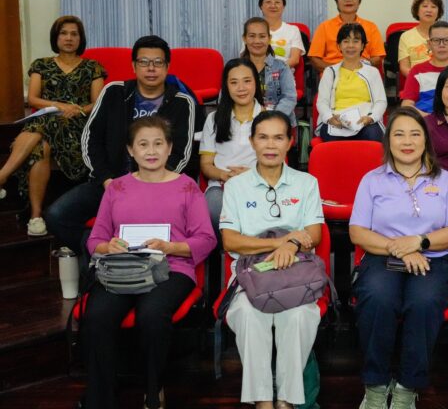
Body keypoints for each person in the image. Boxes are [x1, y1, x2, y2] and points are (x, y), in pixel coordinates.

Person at [82, 116, 216, 409]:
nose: (151, 151)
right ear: (131, 150)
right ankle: (101, 398)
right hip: (122, 268)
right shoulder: (116, 188)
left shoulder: (187, 187)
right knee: (97, 315)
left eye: (158, 143)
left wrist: (171, 247)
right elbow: (95, 240)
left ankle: (154, 391)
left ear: (169, 148)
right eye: (143, 144)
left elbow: (206, 239)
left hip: (172, 268)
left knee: (152, 314)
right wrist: (108, 246)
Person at [350, 106, 448, 409]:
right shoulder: (372, 180)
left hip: (433, 258)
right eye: (399, 134)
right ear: (388, 141)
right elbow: (358, 233)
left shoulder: (444, 180)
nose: (407, 141)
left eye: (415, 134)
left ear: (425, 140)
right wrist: (400, 248)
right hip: (382, 256)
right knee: (378, 298)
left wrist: (419, 242)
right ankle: (375, 385)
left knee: (423, 302)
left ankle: (407, 387)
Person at [44, 35, 197, 258]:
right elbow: (91, 139)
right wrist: (106, 179)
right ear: (134, 66)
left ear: (167, 67)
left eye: (158, 62)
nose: (151, 68)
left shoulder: (182, 102)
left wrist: (151, 185)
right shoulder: (114, 92)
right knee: (57, 215)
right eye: (144, 62)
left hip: (157, 188)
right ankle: (96, 250)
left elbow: (182, 153)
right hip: (109, 183)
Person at [220, 111, 325, 408]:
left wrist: (292, 246)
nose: (270, 145)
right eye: (263, 137)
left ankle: (287, 402)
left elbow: (314, 234)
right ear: (252, 141)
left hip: (296, 274)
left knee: (300, 316)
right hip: (249, 275)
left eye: (278, 138)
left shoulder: (306, 183)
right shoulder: (236, 186)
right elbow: (231, 241)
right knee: (248, 315)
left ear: (290, 142)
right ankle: (263, 401)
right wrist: (284, 241)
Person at [0, 16, 105, 236]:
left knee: (42, 123)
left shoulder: (92, 67)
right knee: (41, 146)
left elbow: (97, 103)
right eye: (63, 33)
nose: (69, 38)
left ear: (81, 39)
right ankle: (36, 217)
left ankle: (3, 176)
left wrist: (76, 110)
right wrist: (58, 106)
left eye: (74, 34)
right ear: (55, 37)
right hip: (48, 121)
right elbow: (33, 99)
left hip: (77, 125)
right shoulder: (41, 65)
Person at [200, 58, 264, 233]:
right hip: (222, 185)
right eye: (234, 82)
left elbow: (278, 162)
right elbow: (206, 164)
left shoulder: (269, 116)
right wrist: (225, 175)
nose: (241, 88)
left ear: (256, 83)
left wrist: (251, 175)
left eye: (247, 81)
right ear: (226, 86)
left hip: (260, 183)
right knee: (213, 209)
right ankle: (227, 248)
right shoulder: (214, 119)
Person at [315, 23, 387, 142]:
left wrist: (370, 118)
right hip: (337, 120)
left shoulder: (373, 72)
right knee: (329, 135)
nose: (351, 46)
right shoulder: (330, 72)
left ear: (362, 45)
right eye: (346, 41)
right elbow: (322, 102)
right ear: (339, 46)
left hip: (364, 120)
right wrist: (330, 118)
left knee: (373, 135)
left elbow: (381, 101)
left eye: (355, 41)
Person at [308, 0, 386, 74]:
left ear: (359, 1)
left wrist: (359, 68)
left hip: (362, 74)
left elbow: (377, 58)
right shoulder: (324, 27)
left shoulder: (371, 27)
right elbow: (314, 58)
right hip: (333, 75)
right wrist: (337, 70)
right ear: (336, 1)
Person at [241, 17, 298, 130]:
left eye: (262, 36)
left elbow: (289, 98)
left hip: (276, 123)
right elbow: (227, 98)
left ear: (269, 38)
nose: (257, 41)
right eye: (252, 36)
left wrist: (272, 119)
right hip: (244, 123)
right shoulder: (237, 68)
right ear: (244, 39)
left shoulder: (282, 67)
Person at [397, 0, 448, 77]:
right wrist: (421, 79)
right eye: (425, 6)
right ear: (417, 11)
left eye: (433, 7)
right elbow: (404, 67)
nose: (429, 10)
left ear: (438, 12)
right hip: (418, 78)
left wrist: (445, 79)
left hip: (445, 79)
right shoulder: (406, 36)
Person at [259, 0, 305, 70]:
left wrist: (274, 71)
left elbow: (294, 60)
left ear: (283, 7)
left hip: (283, 74)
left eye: (277, 2)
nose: (273, 5)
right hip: (258, 73)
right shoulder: (253, 29)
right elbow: (246, 57)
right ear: (261, 6)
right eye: (268, 2)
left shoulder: (293, 30)